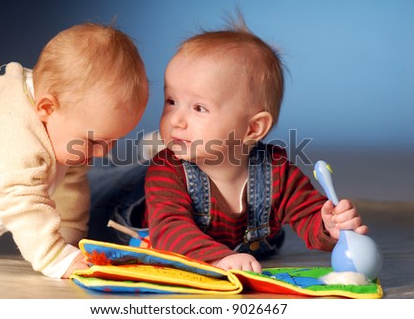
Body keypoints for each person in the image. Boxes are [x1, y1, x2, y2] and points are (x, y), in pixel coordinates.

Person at [143, 17, 369, 273]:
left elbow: (307, 211)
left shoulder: (276, 170)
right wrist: (219, 258)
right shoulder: (167, 170)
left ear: (253, 128)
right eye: (171, 101)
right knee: (117, 193)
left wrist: (329, 225)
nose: (176, 120)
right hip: (142, 218)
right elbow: (169, 229)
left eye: (199, 108)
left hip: (244, 245)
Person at [0, 23, 149, 279]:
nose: (102, 153)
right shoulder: (12, 133)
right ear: (47, 108)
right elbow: (23, 202)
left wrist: (70, 239)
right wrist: (56, 257)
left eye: (112, 141)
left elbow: (70, 184)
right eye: (94, 141)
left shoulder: (64, 128)